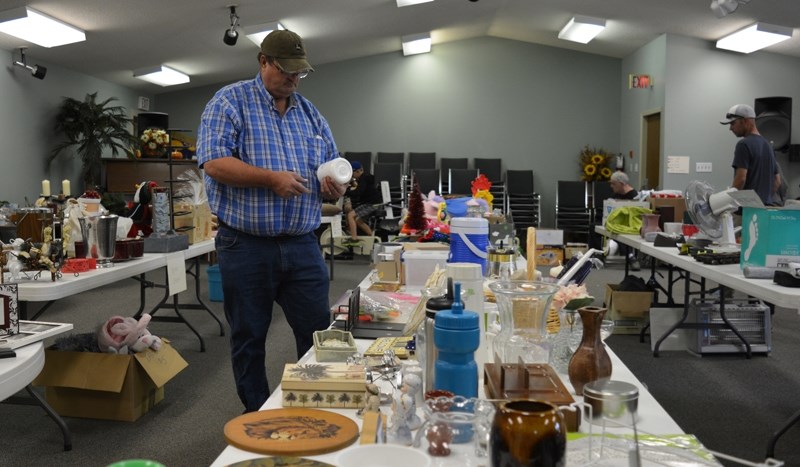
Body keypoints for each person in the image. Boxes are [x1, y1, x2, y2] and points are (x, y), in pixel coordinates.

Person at [196, 29, 347, 413]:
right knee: (249, 336)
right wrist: (271, 178)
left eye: (301, 73)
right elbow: (214, 163)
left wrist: (335, 188)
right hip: (246, 244)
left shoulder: (311, 115)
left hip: (301, 243)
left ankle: (316, 409)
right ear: (263, 62)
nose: (294, 80)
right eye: (286, 71)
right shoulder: (229, 102)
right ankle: (257, 415)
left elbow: (331, 169)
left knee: (318, 333)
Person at [720, 104, 781, 206]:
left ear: (745, 121)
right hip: (764, 210)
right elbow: (777, 181)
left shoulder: (743, 144)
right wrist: (762, 202)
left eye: (733, 123)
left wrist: (729, 203)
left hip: (746, 212)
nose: (730, 128)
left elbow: (741, 179)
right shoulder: (769, 146)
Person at [608, 171, 640, 270]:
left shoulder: (634, 196)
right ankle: (596, 256)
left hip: (627, 224)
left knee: (621, 232)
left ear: (621, 184)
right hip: (614, 223)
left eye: (613, 184)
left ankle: (630, 257)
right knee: (593, 226)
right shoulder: (615, 195)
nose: (611, 186)